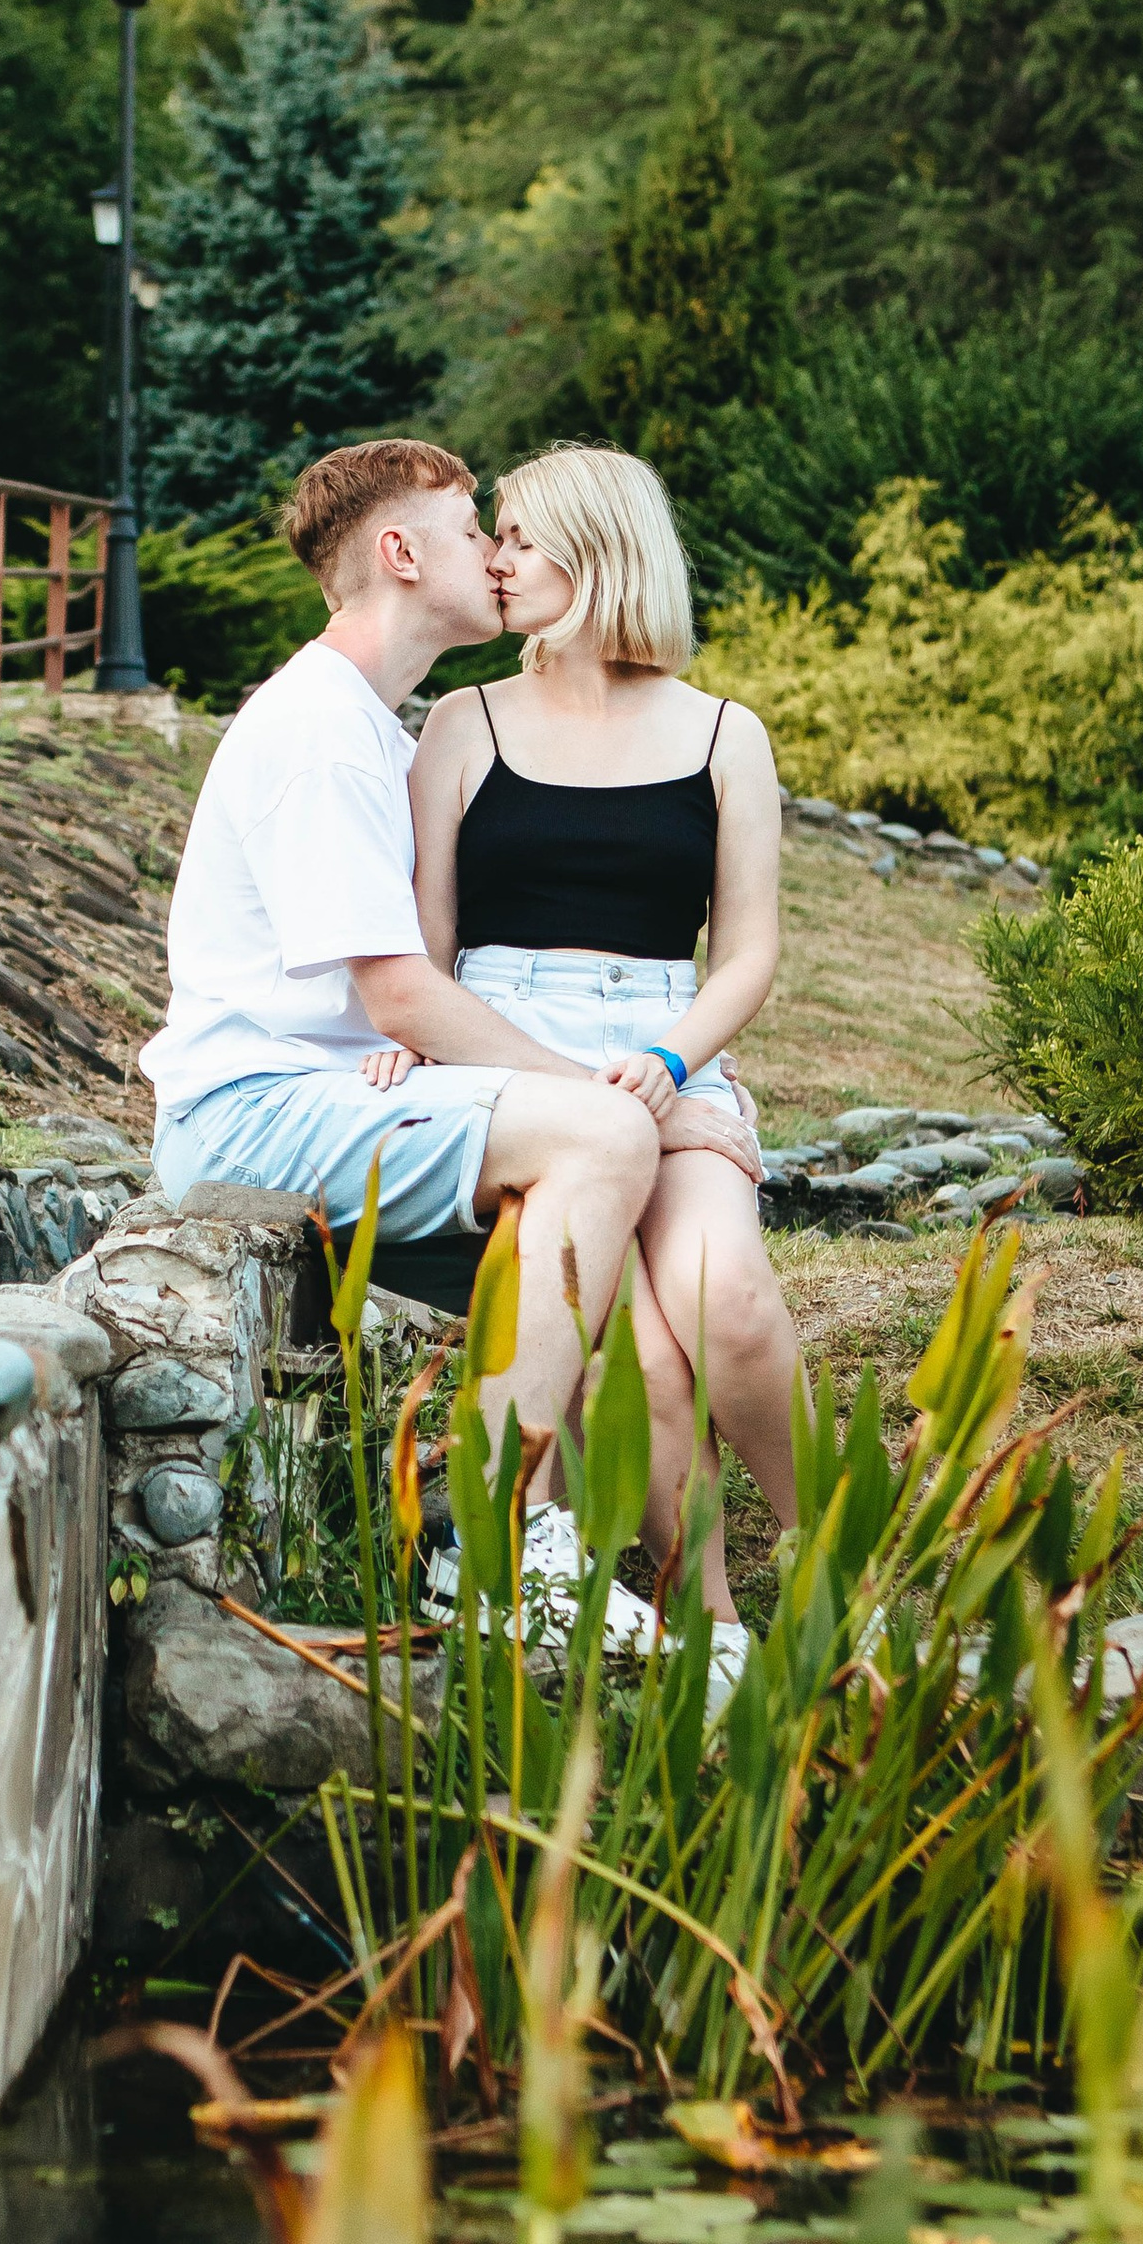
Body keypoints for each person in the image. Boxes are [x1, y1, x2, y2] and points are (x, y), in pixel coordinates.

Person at [143, 439, 762, 1511]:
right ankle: (496, 1538)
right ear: (400, 552)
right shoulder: (324, 729)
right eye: (474, 530)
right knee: (604, 1134)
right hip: (257, 1110)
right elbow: (400, 993)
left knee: (639, 1336)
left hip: (350, 1096)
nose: (493, 554)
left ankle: (685, 1622)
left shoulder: (377, 731)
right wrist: (615, 1090)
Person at [376, 440, 800, 1613]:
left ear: (597, 548)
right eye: (495, 536)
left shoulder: (725, 734)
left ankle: (838, 1559)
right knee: (649, 1360)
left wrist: (670, 1066)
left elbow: (749, 953)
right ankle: (709, 1622)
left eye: (516, 537)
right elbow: (425, 943)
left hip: (668, 1040)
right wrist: (412, 1038)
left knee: (725, 1302)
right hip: (514, 1053)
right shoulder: (462, 723)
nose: (495, 562)